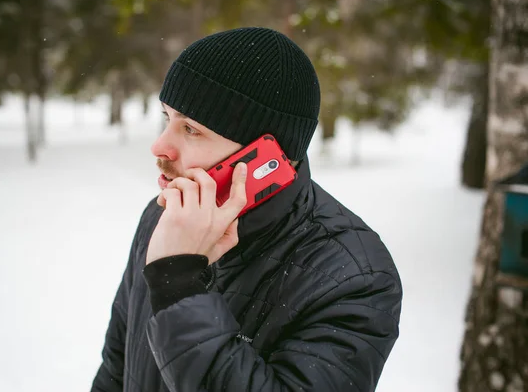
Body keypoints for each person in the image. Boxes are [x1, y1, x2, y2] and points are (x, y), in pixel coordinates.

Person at [91, 27, 402, 392]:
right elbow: (116, 367)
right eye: (167, 118)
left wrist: (180, 286)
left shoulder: (354, 277)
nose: (160, 146)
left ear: (262, 159)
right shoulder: (165, 216)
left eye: (191, 129)